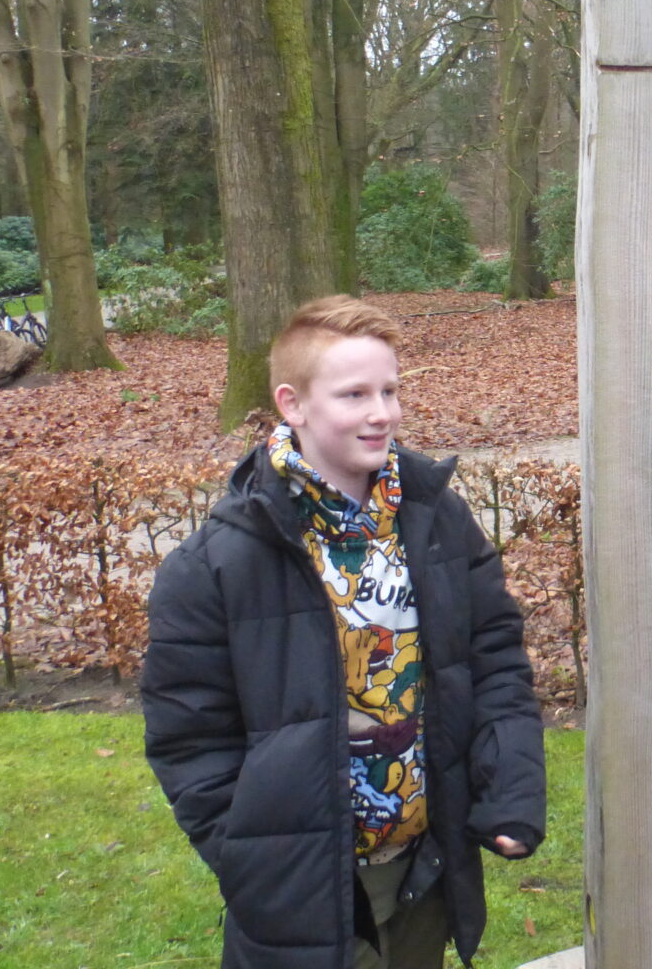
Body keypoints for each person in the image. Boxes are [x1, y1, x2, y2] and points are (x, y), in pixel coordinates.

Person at [142, 295, 546, 969]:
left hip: (421, 870)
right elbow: (188, 733)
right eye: (354, 394)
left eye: (390, 390)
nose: (382, 412)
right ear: (293, 405)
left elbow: (495, 661)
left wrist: (511, 790)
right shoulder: (217, 564)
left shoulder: (437, 523)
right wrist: (250, 855)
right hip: (300, 889)